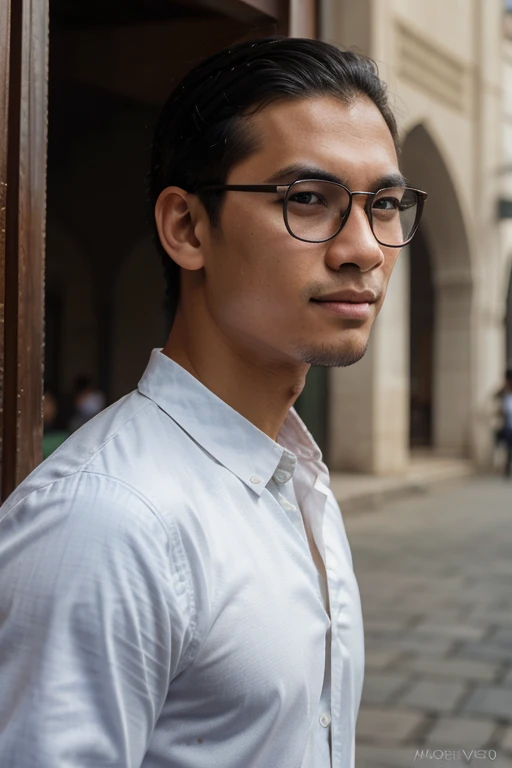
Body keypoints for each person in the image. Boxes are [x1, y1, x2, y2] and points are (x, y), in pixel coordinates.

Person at [0, 37, 427, 767]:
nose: (363, 247)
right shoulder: (108, 522)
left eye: (383, 204)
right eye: (309, 200)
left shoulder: (293, 477)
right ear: (188, 228)